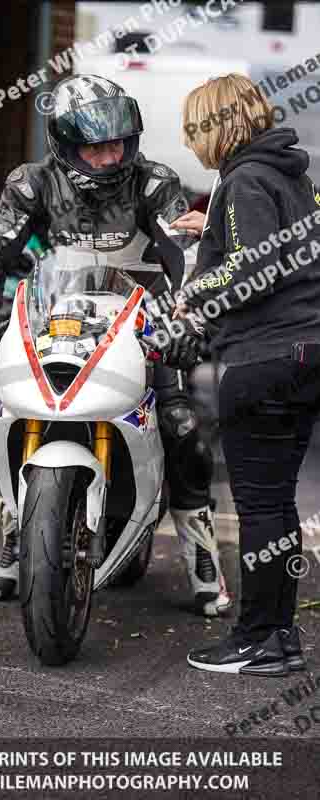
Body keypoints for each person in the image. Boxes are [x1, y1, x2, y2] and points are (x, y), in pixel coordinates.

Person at [0, 74, 231, 617]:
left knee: (181, 426)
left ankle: (201, 559)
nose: (112, 156)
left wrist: (189, 319)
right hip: (55, 315)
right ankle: (16, 542)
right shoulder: (29, 183)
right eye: (96, 145)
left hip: (145, 319)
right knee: (13, 411)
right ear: (65, 144)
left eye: (119, 143)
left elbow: (185, 252)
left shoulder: (155, 181)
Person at [168, 73, 320, 675]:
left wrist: (192, 295)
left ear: (215, 126)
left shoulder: (246, 180)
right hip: (306, 352)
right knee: (277, 508)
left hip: (265, 360)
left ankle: (259, 638)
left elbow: (251, 269)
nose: (189, 141)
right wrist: (208, 226)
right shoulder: (288, 174)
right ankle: (278, 639)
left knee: (260, 509)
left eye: (193, 128)